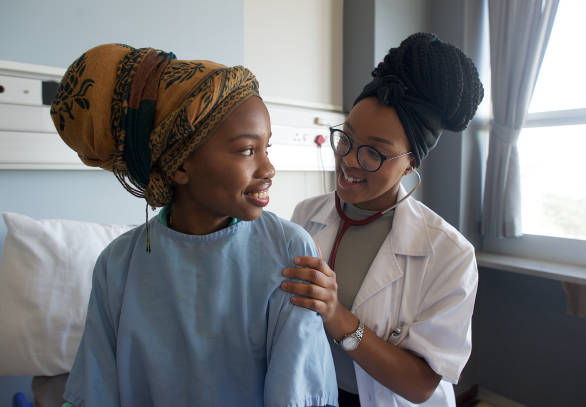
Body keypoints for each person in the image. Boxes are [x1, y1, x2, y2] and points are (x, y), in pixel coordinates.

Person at [49, 43, 338, 407]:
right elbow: (95, 390)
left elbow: (296, 394)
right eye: (247, 150)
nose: (268, 170)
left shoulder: (289, 252)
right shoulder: (118, 264)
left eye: (267, 148)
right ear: (181, 165)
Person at [281, 32, 483, 407]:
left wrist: (337, 316)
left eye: (375, 153)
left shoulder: (449, 254)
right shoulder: (306, 214)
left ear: (411, 163)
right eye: (347, 140)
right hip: (314, 392)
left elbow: (421, 385)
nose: (351, 160)